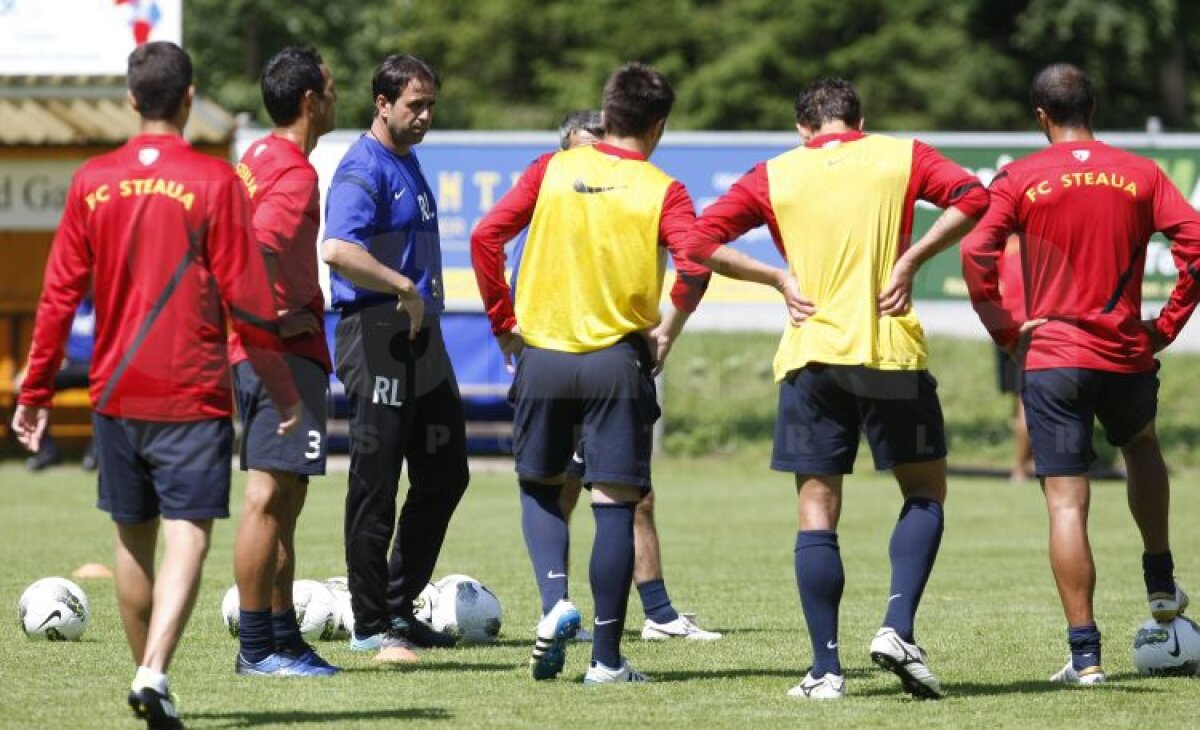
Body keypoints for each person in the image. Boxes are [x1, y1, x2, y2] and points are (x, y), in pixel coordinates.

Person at [10, 42, 299, 729]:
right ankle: (152, 673)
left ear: (133, 100)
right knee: (188, 533)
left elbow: (57, 298)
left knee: (131, 540)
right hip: (190, 391)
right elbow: (250, 299)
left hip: (113, 392)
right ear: (190, 98)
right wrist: (283, 389)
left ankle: (152, 680)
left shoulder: (91, 180)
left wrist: (35, 395)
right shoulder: (214, 181)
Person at [685, 77, 989, 700]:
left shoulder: (775, 172)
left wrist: (774, 277)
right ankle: (897, 628)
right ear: (859, 119)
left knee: (816, 510)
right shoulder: (902, 155)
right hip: (890, 354)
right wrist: (912, 260)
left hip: (812, 356)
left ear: (804, 127)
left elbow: (694, 241)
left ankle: (825, 671)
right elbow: (974, 197)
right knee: (925, 493)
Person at [961, 63, 1200, 686]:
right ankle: (1159, 586)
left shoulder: (1020, 177)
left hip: (1054, 356)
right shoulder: (1142, 172)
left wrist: (1007, 332)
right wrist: (1166, 325)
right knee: (1142, 446)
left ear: (1040, 116)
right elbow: (1196, 246)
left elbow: (974, 251)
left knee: (1066, 501)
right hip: (1124, 351)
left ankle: (1086, 658)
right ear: (1093, 107)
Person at [471, 64, 710, 685]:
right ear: (658, 125)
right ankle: (606, 659)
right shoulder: (664, 188)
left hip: (543, 357)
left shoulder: (549, 170)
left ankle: (555, 606)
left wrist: (503, 322)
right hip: (616, 362)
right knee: (615, 505)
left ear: (606, 114)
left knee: (539, 488)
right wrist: (668, 331)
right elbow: (697, 263)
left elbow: (485, 236)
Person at [320, 53, 470, 664]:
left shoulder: (407, 163)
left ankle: (398, 603)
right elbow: (337, 248)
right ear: (382, 104)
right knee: (376, 482)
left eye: (431, 104)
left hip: (419, 340)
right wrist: (403, 286)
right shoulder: (364, 165)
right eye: (415, 104)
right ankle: (369, 620)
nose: (426, 115)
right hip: (377, 333)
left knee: (445, 470)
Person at [551, 109, 720, 643]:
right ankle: (556, 606)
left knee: (634, 493)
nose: (592, 160)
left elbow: (693, 260)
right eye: (580, 149)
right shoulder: (554, 217)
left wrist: (661, 332)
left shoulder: (634, 203)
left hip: (618, 367)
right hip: (567, 369)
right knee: (563, 491)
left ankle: (658, 614)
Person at [229, 46, 339, 677]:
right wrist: (270, 319)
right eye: (330, 88)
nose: (334, 97)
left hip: (261, 350)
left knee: (286, 500)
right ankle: (257, 650)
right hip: (279, 354)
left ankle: (283, 636)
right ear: (308, 101)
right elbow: (254, 245)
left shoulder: (259, 158)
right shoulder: (295, 175)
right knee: (268, 496)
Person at [994, 235, 1034, 482]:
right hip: (1032, 325)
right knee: (1025, 402)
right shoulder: (1042, 238)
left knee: (1020, 401)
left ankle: (1024, 464)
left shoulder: (1002, 242)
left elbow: (993, 285)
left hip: (1005, 325)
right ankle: (1021, 467)